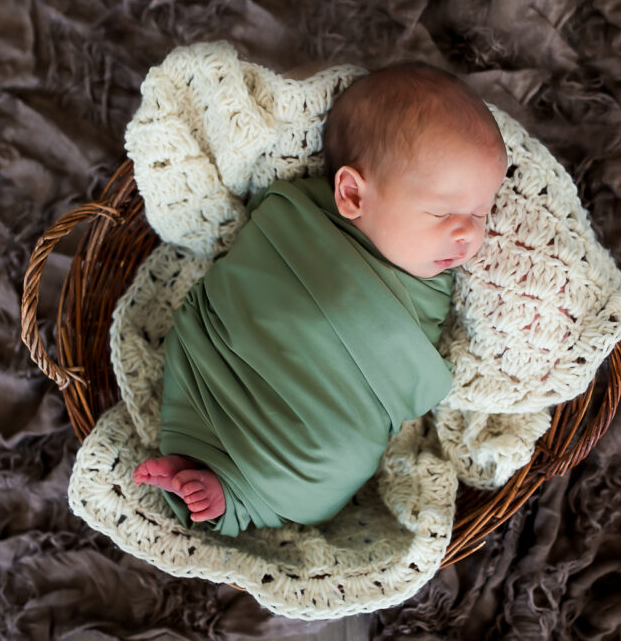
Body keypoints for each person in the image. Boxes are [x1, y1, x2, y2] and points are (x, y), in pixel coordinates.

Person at [131, 61, 508, 536]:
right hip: (229, 360)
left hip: (322, 430)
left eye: (481, 210)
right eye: (442, 212)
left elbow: (403, 377)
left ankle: (233, 496)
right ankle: (203, 465)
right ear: (352, 194)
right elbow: (242, 283)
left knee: (340, 452)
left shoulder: (440, 281)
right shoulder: (294, 221)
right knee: (198, 344)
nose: (468, 234)